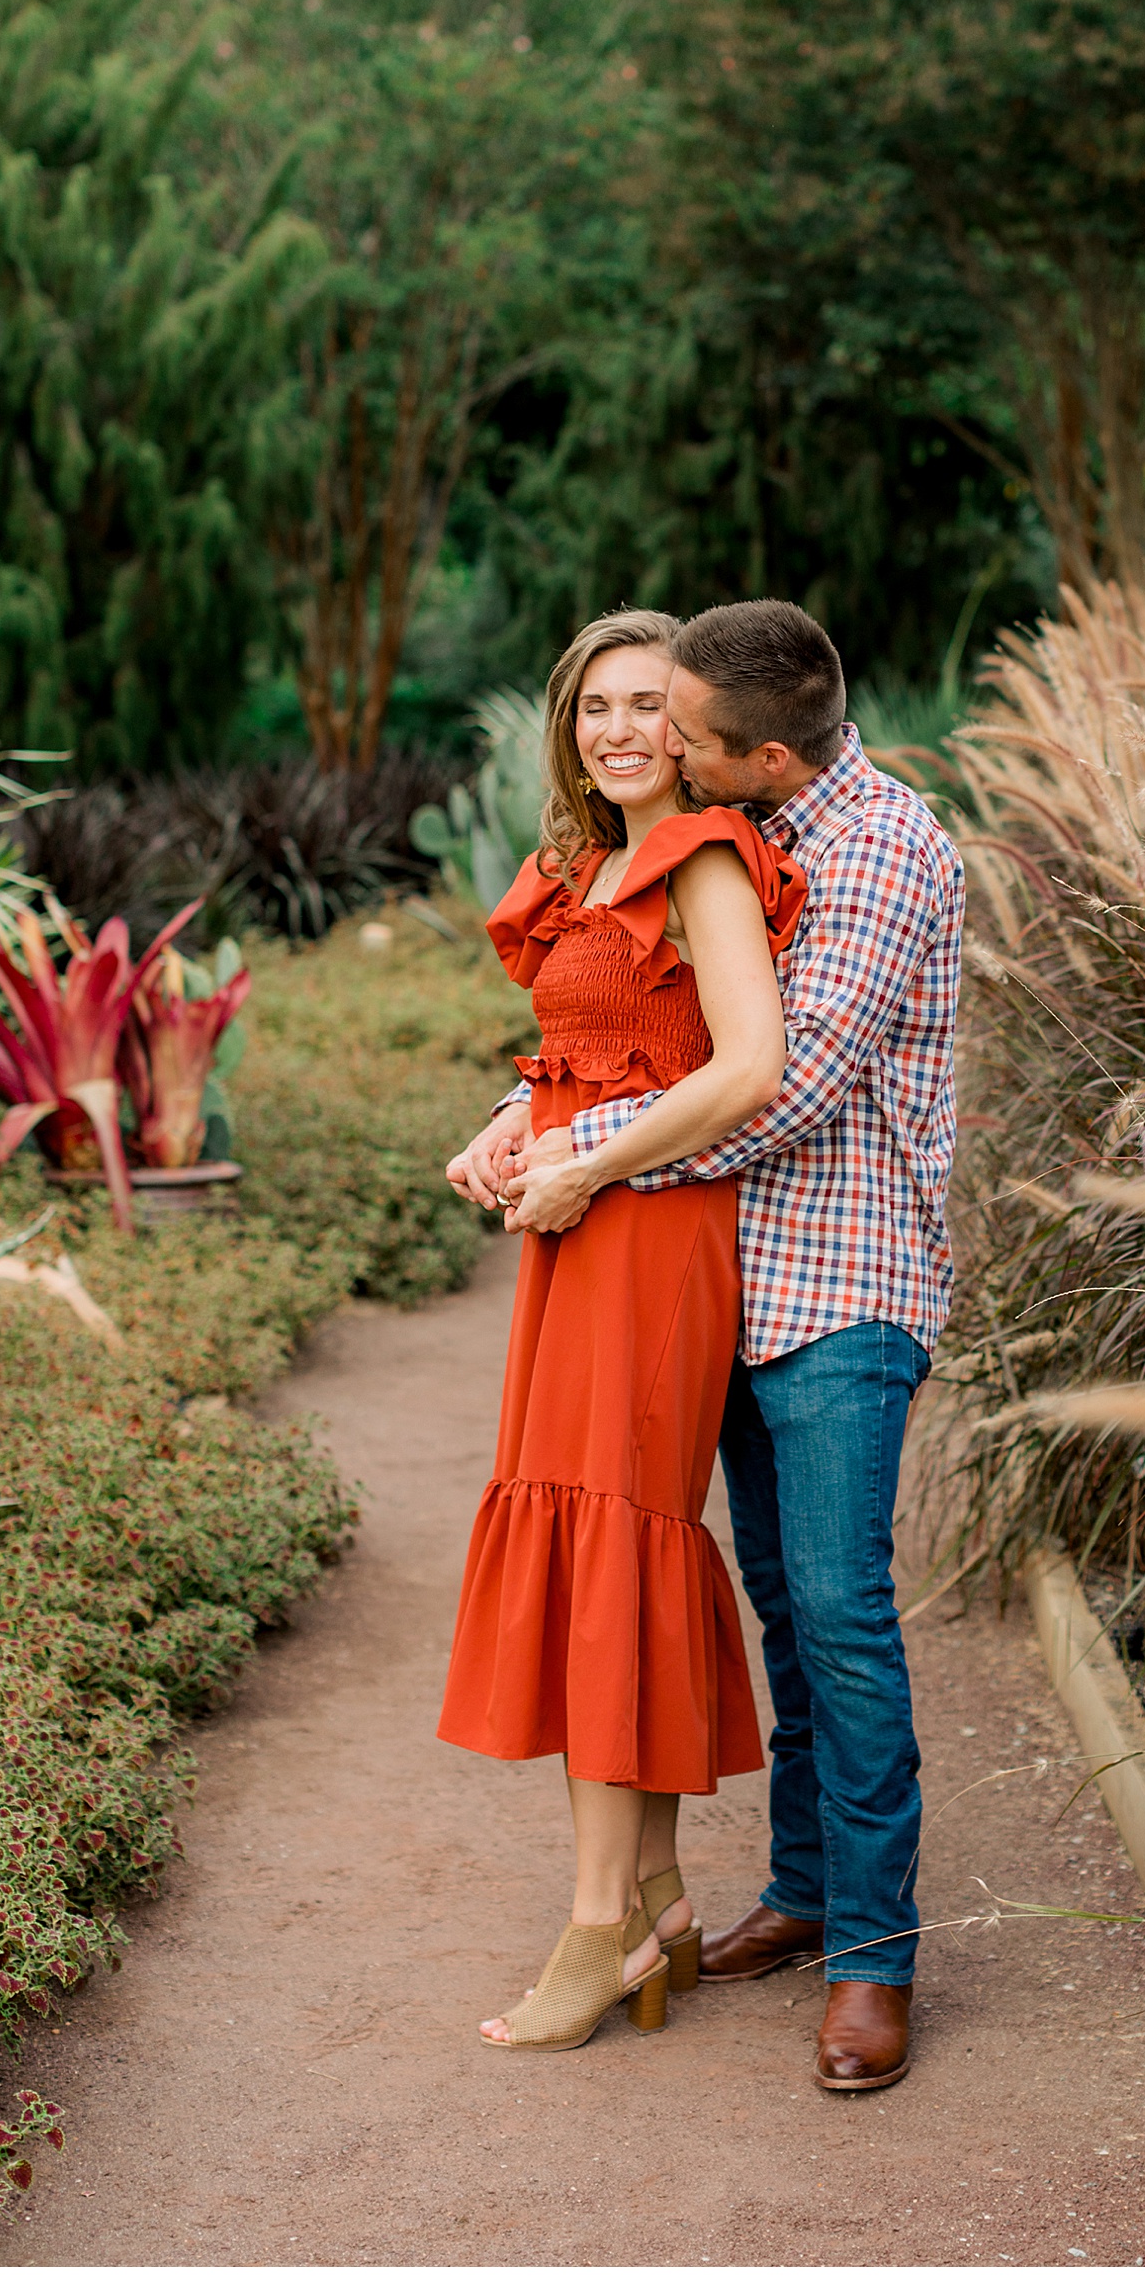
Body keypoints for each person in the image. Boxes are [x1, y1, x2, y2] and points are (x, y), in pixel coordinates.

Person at [454, 599, 965, 2095]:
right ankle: (802, 1890)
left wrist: (566, 1151)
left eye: (678, 725)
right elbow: (644, 1033)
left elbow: (776, 1088)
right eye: (629, 711)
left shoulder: (878, 851)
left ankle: (874, 1955)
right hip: (723, 1274)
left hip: (839, 1285)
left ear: (755, 752)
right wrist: (529, 1113)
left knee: (841, 1607)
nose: (650, 739)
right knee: (780, 1610)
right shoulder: (758, 822)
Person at [436, 607, 806, 2053]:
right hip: (579, 1228)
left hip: (650, 1235)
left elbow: (748, 1064)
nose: (620, 729)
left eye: (650, 704)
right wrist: (512, 1130)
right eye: (596, 706)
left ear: (693, 724)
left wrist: (592, 1164)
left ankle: (597, 1925)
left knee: (616, 1533)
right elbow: (584, 1057)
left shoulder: (704, 859)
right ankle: (652, 1898)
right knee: (596, 1531)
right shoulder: (583, 871)